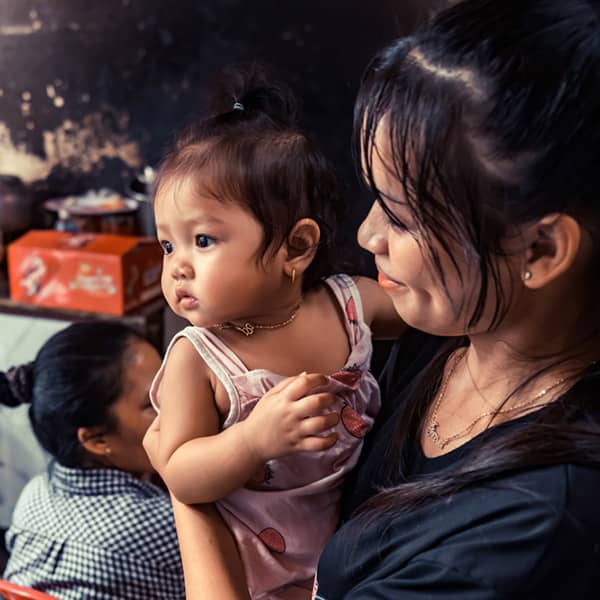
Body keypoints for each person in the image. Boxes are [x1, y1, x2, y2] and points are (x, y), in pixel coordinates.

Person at [156, 1, 600, 598]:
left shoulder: (531, 526)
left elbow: (184, 468)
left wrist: (188, 488)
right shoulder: (442, 327)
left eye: (400, 215)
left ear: (541, 250)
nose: (367, 237)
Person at [142, 65, 404, 599]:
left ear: (296, 248)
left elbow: (425, 314)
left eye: (203, 240)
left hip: (344, 554)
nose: (177, 267)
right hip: (250, 570)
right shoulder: (200, 357)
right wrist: (253, 439)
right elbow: (182, 476)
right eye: (168, 245)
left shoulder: (349, 306)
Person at [1, 322, 185, 600]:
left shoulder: (34, 495)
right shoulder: (164, 526)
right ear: (97, 440)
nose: (182, 404)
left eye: (169, 381)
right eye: (152, 403)